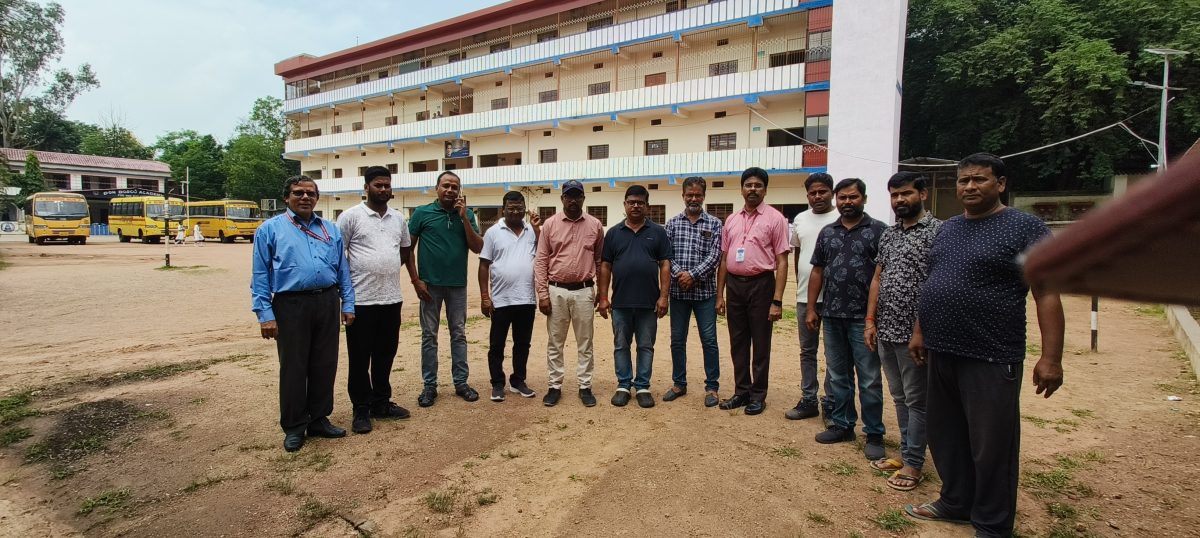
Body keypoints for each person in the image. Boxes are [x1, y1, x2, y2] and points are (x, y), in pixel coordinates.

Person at [904, 153, 1064, 538]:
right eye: (963, 181)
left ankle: (992, 524)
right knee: (946, 435)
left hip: (991, 353)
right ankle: (956, 501)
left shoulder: (1025, 227)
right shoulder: (948, 228)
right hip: (941, 349)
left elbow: (1046, 292)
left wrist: (1051, 357)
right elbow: (934, 282)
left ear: (1001, 184)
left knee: (992, 445)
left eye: (979, 179)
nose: (970, 187)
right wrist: (920, 331)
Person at [251, 175, 355, 452]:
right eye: (298, 193)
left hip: (327, 301)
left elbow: (342, 269)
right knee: (294, 367)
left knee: (324, 363)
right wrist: (265, 314)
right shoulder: (270, 230)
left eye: (310, 193)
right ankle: (295, 426)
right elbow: (260, 274)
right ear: (286, 197)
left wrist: (348, 304)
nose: (305, 197)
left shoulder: (330, 230)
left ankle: (319, 419)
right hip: (290, 304)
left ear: (317, 198)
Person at [864, 172, 942, 491]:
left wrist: (921, 330)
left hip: (916, 335)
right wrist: (870, 320)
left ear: (922, 194)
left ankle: (913, 464)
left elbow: (937, 284)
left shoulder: (938, 232)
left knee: (917, 400)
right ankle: (906, 453)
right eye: (894, 195)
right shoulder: (890, 233)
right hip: (886, 329)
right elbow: (878, 278)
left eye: (906, 193)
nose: (899, 200)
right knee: (899, 396)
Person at [807, 178, 888, 459]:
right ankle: (842, 425)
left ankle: (874, 433)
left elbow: (883, 275)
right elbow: (817, 270)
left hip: (863, 318)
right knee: (838, 375)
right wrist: (811, 308)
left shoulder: (879, 231)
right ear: (836, 200)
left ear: (864, 198)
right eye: (842, 198)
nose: (847, 202)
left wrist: (872, 318)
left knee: (869, 378)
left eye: (853, 197)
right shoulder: (828, 232)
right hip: (831, 315)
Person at [336, 166, 413, 434]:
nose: (383, 189)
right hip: (361, 301)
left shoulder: (398, 218)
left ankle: (381, 403)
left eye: (387, 185)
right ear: (366, 187)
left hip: (391, 299)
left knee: (385, 354)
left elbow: (405, 250)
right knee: (359, 358)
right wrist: (346, 296)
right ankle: (361, 408)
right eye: (378, 185)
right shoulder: (350, 217)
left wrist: (384, 268)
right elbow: (338, 256)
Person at [715, 167, 790, 415]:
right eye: (748, 185)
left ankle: (758, 395)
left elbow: (782, 261)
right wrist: (720, 295)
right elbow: (724, 259)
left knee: (760, 341)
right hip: (735, 286)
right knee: (737, 341)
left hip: (762, 285)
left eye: (758, 185)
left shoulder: (776, 219)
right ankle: (741, 391)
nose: (753, 189)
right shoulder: (731, 220)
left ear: (765, 190)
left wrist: (777, 300)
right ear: (741, 189)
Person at [406, 171, 483, 407]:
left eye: (454, 187)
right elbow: (408, 249)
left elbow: (478, 247)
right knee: (429, 335)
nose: (450, 190)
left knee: (458, 333)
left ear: (459, 191)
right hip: (429, 286)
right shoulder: (422, 213)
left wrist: (464, 218)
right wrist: (416, 280)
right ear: (437, 188)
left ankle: (461, 382)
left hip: (457, 285)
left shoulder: (467, 214)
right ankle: (429, 385)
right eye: (446, 186)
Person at [597, 185, 671, 408]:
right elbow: (605, 266)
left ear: (647, 206)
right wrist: (603, 297)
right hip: (620, 302)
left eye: (640, 202)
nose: (636, 206)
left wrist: (664, 297)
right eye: (631, 202)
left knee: (645, 345)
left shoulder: (658, 232)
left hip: (649, 303)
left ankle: (642, 386)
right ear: (625, 205)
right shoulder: (613, 233)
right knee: (621, 345)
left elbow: (665, 264)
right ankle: (623, 385)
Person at [534, 180, 604, 407]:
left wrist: (602, 292)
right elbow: (541, 260)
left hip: (584, 291)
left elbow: (600, 260)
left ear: (583, 198)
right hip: (556, 291)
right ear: (562, 198)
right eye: (569, 196)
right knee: (555, 342)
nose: (573, 200)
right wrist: (543, 294)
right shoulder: (550, 225)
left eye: (577, 196)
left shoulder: (595, 225)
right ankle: (554, 386)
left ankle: (585, 386)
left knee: (585, 342)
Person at [785, 172, 840, 422]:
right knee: (807, 351)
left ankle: (831, 402)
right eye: (812, 193)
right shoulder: (800, 219)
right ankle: (809, 399)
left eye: (822, 192)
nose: (817, 196)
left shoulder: (841, 218)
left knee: (833, 353)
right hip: (805, 298)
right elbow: (798, 254)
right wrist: (801, 285)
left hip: (835, 299)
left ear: (832, 193)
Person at [664, 177, 723, 407]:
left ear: (704, 196)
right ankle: (679, 383)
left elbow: (716, 256)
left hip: (705, 294)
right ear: (683, 196)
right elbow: (666, 255)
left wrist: (693, 275)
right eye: (690, 195)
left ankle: (712, 387)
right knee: (677, 340)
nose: (694, 199)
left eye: (698, 195)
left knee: (709, 340)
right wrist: (680, 275)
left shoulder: (715, 224)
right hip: (678, 294)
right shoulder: (672, 224)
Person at [478, 191, 541, 402]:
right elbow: (484, 265)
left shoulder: (531, 231)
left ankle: (518, 381)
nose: (515, 212)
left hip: (526, 299)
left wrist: (537, 229)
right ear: (503, 209)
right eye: (511, 208)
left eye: (519, 208)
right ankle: (497, 384)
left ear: (525, 209)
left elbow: (543, 252)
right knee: (497, 345)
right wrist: (485, 296)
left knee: (522, 344)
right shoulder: (493, 232)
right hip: (501, 300)